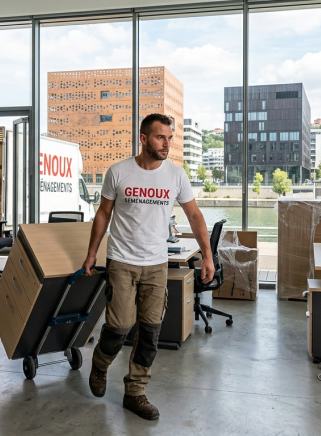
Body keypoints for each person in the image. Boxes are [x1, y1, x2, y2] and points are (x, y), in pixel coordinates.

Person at [81, 113, 214, 420]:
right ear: (143, 138)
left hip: (156, 264)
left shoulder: (176, 175)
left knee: (151, 330)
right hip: (122, 260)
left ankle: (136, 391)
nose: (166, 144)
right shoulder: (118, 172)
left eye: (170, 138)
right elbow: (103, 214)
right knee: (119, 326)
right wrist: (91, 254)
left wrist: (208, 255)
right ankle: (100, 365)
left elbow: (194, 216)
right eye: (160, 137)